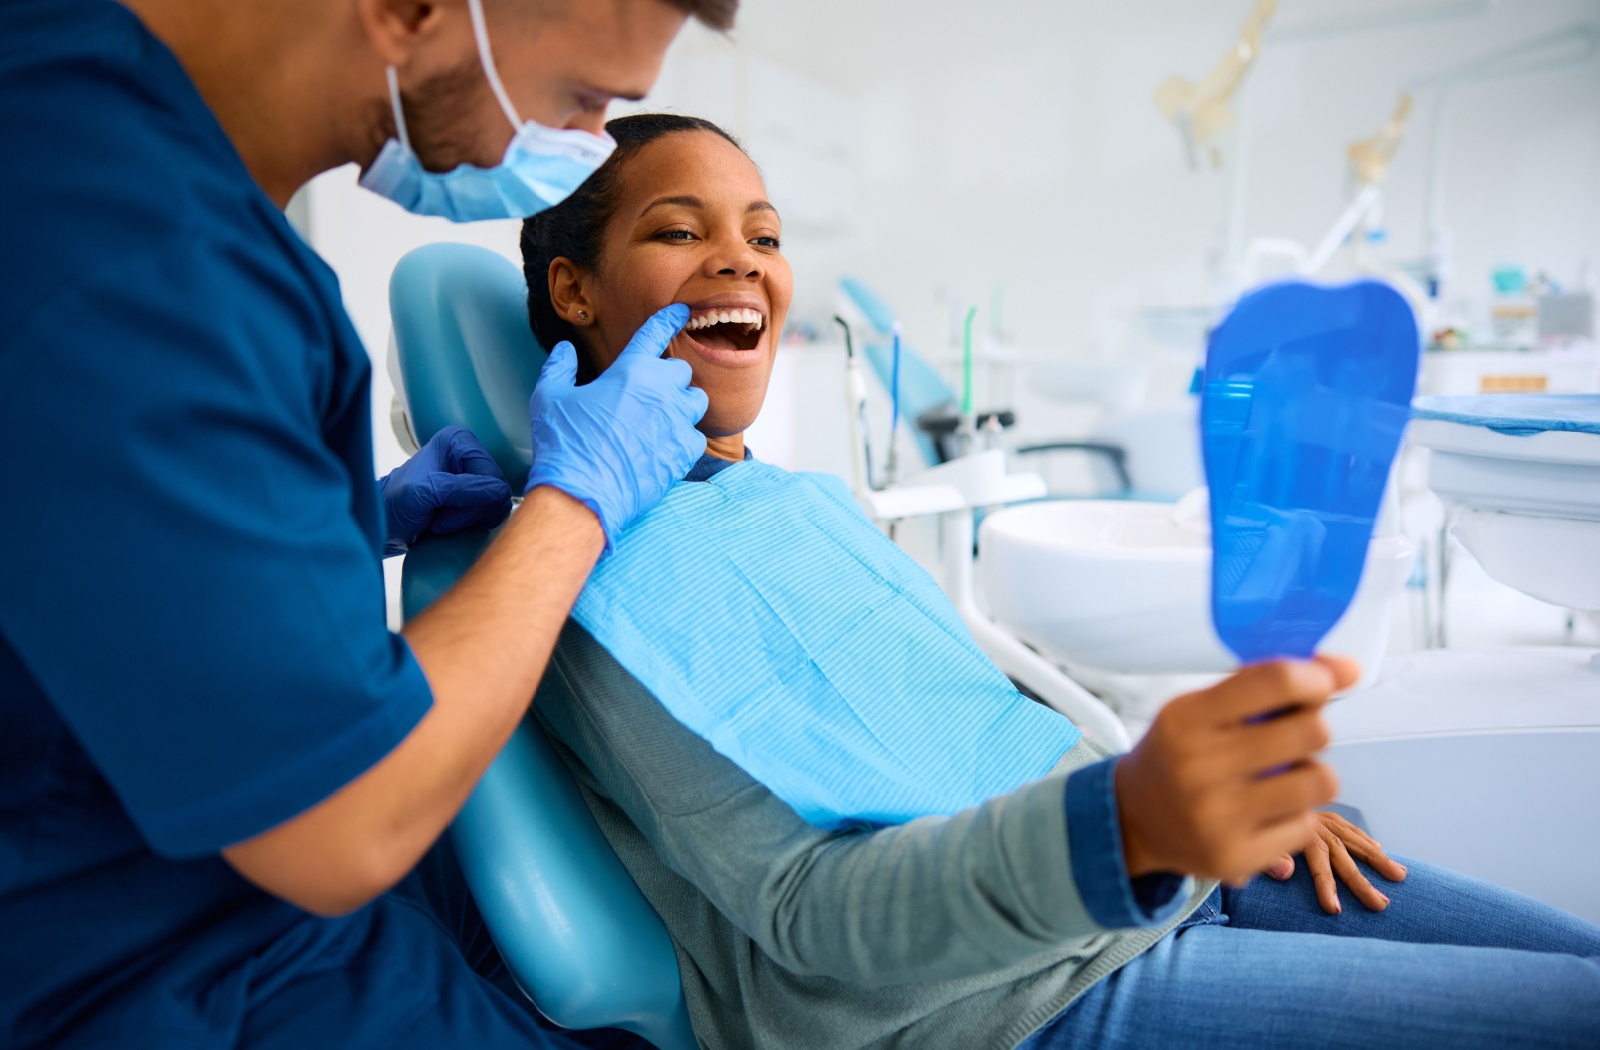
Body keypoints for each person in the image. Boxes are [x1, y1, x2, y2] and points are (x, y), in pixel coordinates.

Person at [517, 112, 1600, 1050]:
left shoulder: (795, 502)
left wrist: (1183, 809)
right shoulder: (589, 583)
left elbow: (979, 728)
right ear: (574, 287)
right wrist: (1127, 824)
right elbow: (811, 912)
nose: (741, 260)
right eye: (677, 230)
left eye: (764, 235)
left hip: (1153, 880)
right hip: (995, 1001)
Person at [0, 1, 739, 1048]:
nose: (579, 151)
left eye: (764, 232)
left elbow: (95, 531)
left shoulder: (105, 117)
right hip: (153, 971)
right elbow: (339, 821)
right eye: (581, 103)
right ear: (411, 11)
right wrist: (575, 502)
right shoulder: (129, 250)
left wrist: (349, 522)